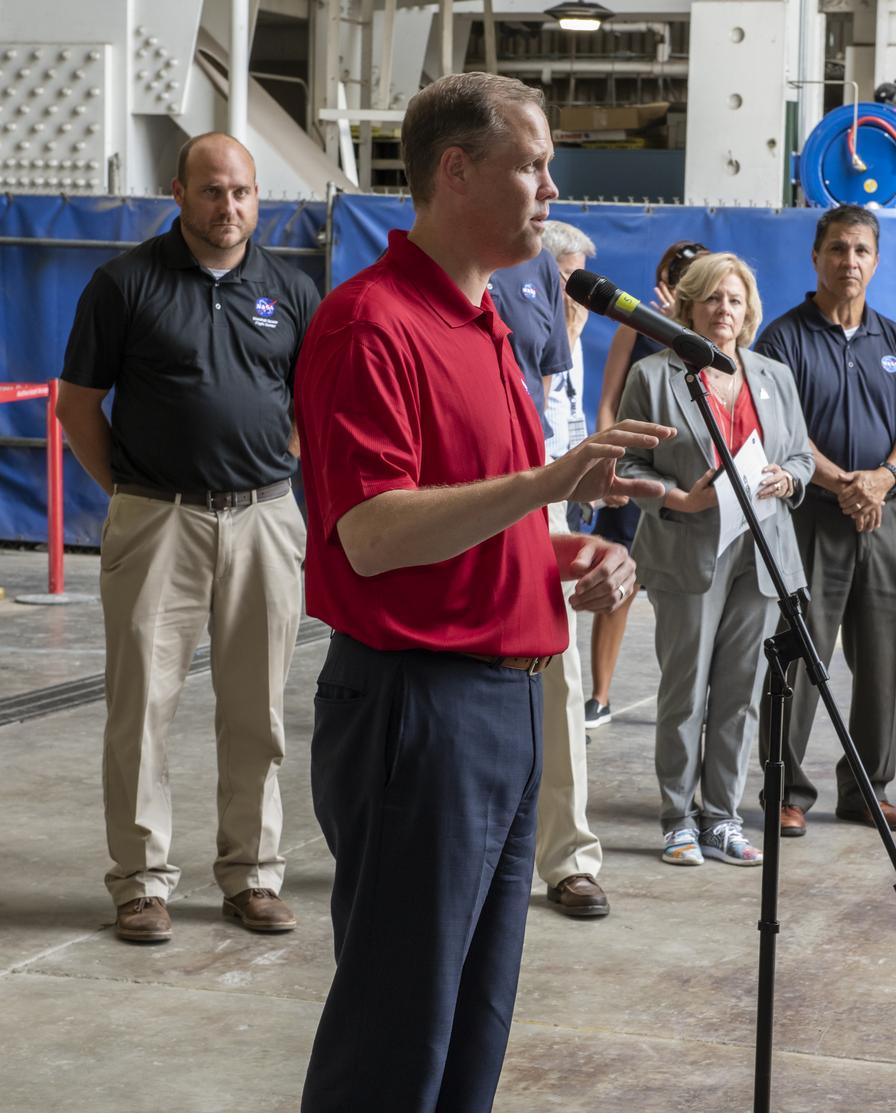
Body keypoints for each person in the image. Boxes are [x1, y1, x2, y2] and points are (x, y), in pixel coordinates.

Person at [292, 73, 671, 1113]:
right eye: (533, 165)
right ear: (455, 171)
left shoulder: (490, 320)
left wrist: (562, 553)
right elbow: (373, 535)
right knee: (397, 1028)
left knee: (472, 1024)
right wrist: (550, 483)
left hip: (506, 702)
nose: (552, 189)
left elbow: (477, 511)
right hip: (418, 707)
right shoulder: (370, 324)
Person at [57, 133, 317, 944]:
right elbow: (76, 406)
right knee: (141, 708)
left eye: (242, 191)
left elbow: (310, 405)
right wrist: (133, 495)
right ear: (178, 193)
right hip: (157, 517)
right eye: (211, 191)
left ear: (257, 196)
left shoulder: (292, 289)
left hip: (264, 518)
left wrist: (272, 471)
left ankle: (253, 873)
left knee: (258, 710)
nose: (228, 206)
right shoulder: (124, 283)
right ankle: (141, 883)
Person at [618, 252, 813, 866]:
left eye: (734, 299)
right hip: (687, 547)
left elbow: (802, 455)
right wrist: (680, 498)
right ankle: (677, 819)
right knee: (685, 693)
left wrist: (789, 478)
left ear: (748, 310)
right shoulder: (653, 376)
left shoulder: (773, 375)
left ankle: (723, 818)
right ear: (688, 306)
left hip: (762, 552)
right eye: (711, 298)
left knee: (740, 693)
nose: (723, 309)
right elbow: (626, 463)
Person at [754, 205, 896, 839]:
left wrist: (881, 479)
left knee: (882, 659)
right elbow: (782, 430)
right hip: (811, 516)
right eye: (837, 249)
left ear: (876, 261)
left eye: (861, 250)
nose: (849, 261)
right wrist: (845, 484)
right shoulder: (783, 340)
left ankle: (868, 789)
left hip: (884, 518)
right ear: (816, 257)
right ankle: (786, 792)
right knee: (801, 656)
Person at [489, 220, 610, 919]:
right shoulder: (469, 277)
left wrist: (573, 486)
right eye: (570, 278)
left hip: (544, 499)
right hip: (467, 495)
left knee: (560, 682)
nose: (544, 186)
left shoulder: (546, 293)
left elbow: (556, 404)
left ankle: (569, 860)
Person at [586, 239, 709, 729]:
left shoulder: (709, 335)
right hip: (637, 474)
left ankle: (692, 698)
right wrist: (609, 467)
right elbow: (607, 403)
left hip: (688, 477)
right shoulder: (636, 327)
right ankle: (599, 696)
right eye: (681, 277)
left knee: (687, 592)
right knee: (619, 580)